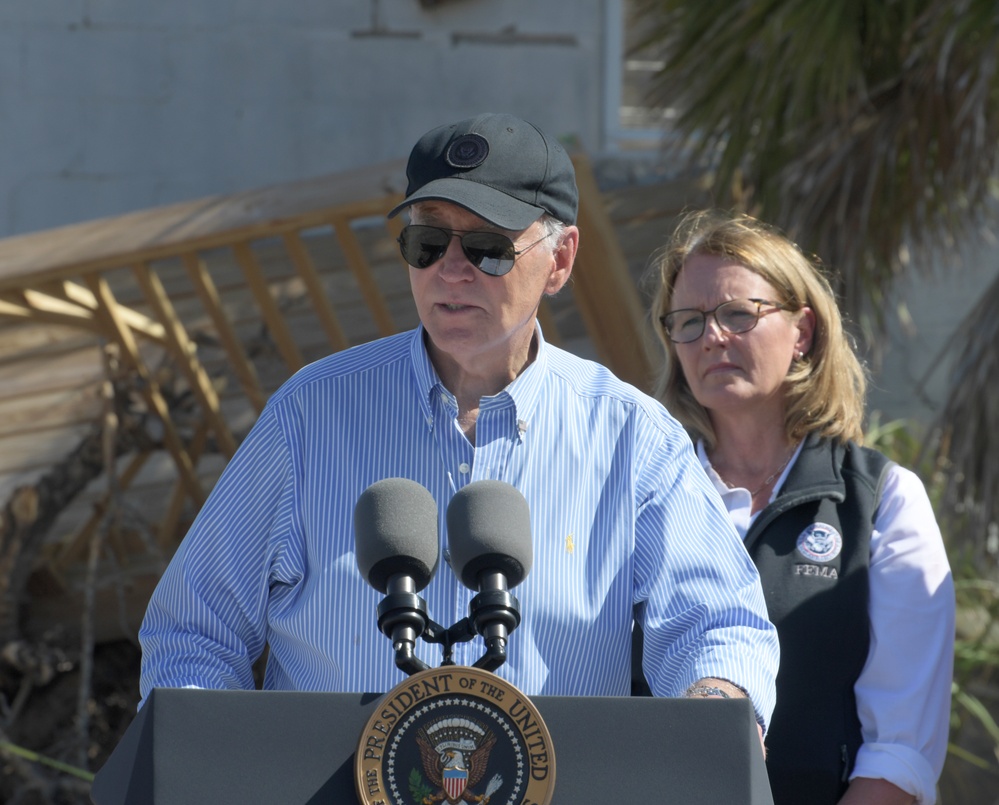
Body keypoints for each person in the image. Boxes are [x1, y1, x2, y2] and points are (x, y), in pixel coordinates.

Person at [138, 114, 779, 735]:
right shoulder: (311, 414)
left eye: (487, 247)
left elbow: (717, 625)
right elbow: (194, 630)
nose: (450, 268)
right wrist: (208, 757)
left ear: (560, 260)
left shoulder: (631, 437)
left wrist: (715, 706)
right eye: (426, 242)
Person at [647, 208, 954, 805]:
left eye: (738, 314)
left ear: (803, 333)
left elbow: (900, 754)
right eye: (688, 321)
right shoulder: (643, 490)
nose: (712, 337)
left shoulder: (879, 500)